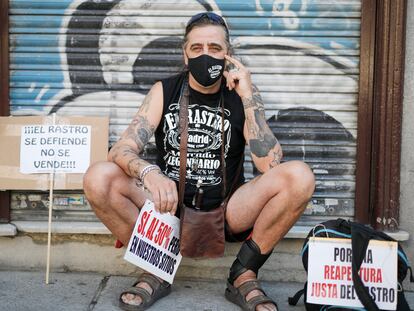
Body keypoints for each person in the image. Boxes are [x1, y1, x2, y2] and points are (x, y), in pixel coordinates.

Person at [83, 12, 315, 311]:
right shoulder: (164, 91)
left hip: (228, 209)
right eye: (197, 48)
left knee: (299, 176)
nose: (206, 55)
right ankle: (155, 267)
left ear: (227, 54)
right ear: (185, 54)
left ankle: (243, 275)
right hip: (166, 208)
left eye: (215, 48)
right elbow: (121, 149)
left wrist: (247, 96)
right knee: (98, 177)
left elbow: (269, 165)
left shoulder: (242, 96)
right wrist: (150, 172)